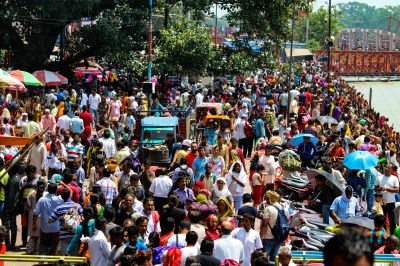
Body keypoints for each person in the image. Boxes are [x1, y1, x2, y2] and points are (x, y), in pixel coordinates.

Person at [48, 188, 83, 255]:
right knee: (74, 256)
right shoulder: (77, 206)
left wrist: (61, 220)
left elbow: (50, 220)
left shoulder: (59, 208)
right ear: (70, 195)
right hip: (75, 235)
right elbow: (82, 218)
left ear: (61, 197)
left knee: (65, 256)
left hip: (63, 236)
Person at [260, 190, 287, 262]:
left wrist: (260, 238)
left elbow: (264, 225)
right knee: (274, 260)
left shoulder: (268, 209)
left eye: (266, 198)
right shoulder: (284, 208)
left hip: (268, 238)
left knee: (263, 259)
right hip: (279, 238)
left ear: (270, 199)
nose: (265, 200)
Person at [375, 163, 399, 234]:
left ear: (392, 169)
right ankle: (384, 235)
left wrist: (388, 189)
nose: (387, 169)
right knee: (382, 220)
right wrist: (380, 189)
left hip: (391, 202)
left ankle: (393, 235)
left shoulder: (394, 178)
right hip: (381, 202)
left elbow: (397, 190)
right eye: (386, 167)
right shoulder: (379, 177)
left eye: (389, 168)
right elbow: (375, 189)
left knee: (392, 220)